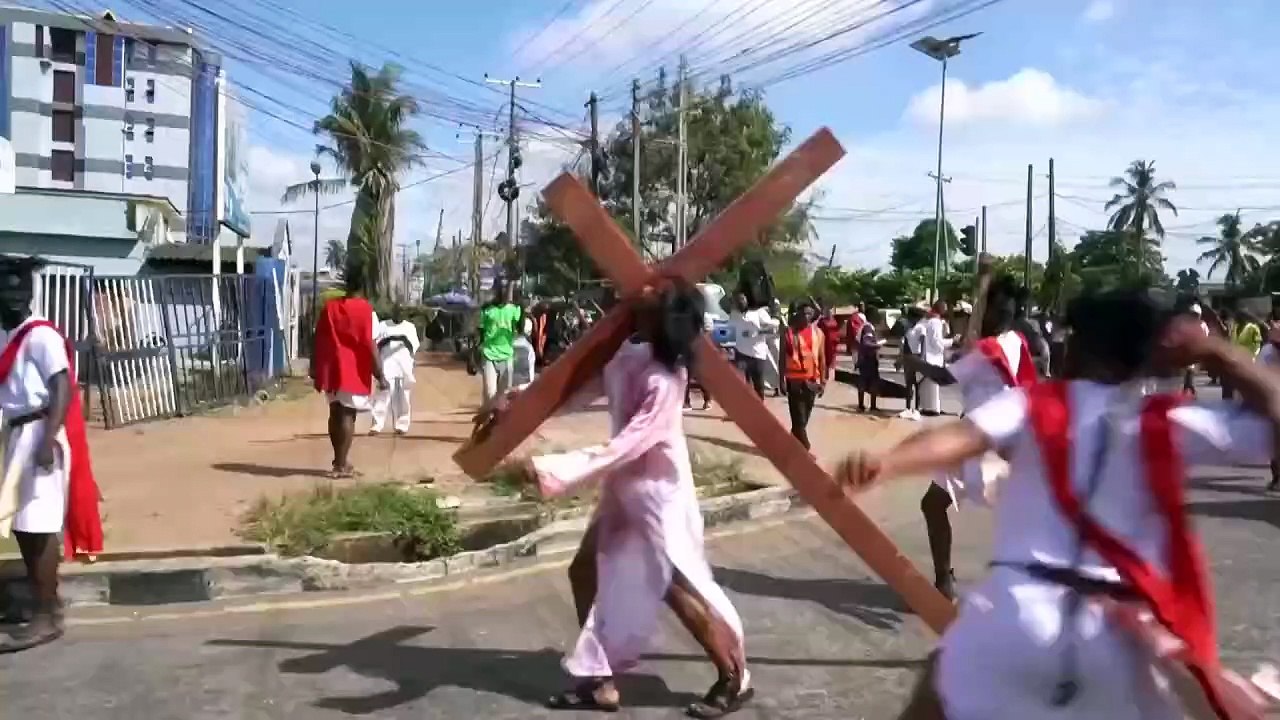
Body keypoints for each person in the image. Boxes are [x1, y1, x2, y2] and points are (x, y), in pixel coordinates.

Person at [837, 288, 1280, 720]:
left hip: (1015, 615)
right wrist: (1217, 352)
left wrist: (888, 462)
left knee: (936, 690)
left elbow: (961, 436)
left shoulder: (1035, 403)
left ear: (1082, 348)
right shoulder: (1169, 420)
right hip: (1119, 639)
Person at [499, 281, 751, 717]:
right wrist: (520, 401)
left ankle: (733, 675)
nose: (639, 290)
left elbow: (626, 446)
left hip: (659, 496)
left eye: (651, 295)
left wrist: (549, 469)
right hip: (625, 489)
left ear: (662, 318)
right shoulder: (630, 356)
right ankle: (599, 681)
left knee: (674, 585)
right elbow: (581, 389)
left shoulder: (665, 380)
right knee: (584, 570)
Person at [902, 273, 1039, 599]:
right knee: (1016, 515)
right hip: (1005, 439)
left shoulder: (988, 350)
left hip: (981, 442)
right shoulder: (1016, 341)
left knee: (934, 505)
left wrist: (912, 361)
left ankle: (946, 583)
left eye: (983, 308)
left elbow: (944, 377)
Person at [0, 255, 103, 652]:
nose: (14, 298)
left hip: (39, 433)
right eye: (7, 291)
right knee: (23, 528)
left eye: (20, 291)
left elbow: (62, 387)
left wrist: (46, 441)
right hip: (18, 434)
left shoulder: (41, 335)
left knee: (38, 528)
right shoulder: (9, 335)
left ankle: (46, 617)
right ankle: (47, 603)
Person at [310, 266, 387, 478]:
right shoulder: (366, 311)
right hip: (352, 369)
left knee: (335, 411)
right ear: (364, 286)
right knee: (347, 414)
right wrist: (379, 374)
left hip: (331, 367)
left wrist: (314, 366)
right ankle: (341, 465)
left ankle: (339, 460)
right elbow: (370, 345)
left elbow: (318, 338)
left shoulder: (329, 308)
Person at [781, 299, 825, 451]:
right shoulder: (788, 333)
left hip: (812, 382)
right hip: (794, 382)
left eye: (809, 314)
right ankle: (805, 450)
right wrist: (781, 380)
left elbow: (822, 358)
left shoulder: (818, 333)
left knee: (803, 420)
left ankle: (793, 444)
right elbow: (782, 358)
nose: (806, 316)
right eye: (804, 313)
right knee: (799, 420)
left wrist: (823, 381)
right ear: (798, 315)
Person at [370, 306, 420, 436]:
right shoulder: (383, 325)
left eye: (402, 311)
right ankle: (377, 424)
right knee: (383, 394)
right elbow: (376, 343)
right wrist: (389, 339)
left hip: (404, 364)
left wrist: (403, 339)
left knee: (404, 394)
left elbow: (414, 346)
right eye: (397, 311)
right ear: (393, 312)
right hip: (387, 362)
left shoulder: (410, 327)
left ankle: (402, 424)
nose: (399, 314)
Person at [479, 282, 523, 405]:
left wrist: (521, 306)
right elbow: (480, 331)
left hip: (507, 356)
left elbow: (521, 327)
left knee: (504, 395)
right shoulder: (487, 309)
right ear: (498, 293)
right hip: (489, 355)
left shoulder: (514, 309)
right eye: (503, 291)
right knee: (490, 393)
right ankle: (489, 414)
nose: (506, 294)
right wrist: (476, 350)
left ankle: (498, 415)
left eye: (508, 291)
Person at [729, 291, 777, 400]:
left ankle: (760, 404)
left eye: (742, 299)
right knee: (743, 384)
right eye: (737, 300)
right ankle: (746, 406)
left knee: (758, 384)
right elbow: (729, 332)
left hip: (757, 354)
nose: (740, 302)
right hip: (741, 354)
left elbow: (773, 329)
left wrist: (756, 332)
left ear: (747, 300)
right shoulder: (733, 315)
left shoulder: (758, 313)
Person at [917, 300, 953, 417]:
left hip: (923, 356)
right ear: (941, 309)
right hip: (932, 357)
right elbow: (937, 343)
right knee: (932, 385)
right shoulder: (935, 322)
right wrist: (952, 341)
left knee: (927, 385)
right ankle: (932, 409)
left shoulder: (925, 319)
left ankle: (927, 407)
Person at [897, 306, 928, 421]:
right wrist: (901, 358)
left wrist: (922, 359)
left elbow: (923, 344)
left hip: (917, 356)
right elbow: (904, 344)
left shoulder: (921, 328)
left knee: (917, 384)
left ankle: (917, 409)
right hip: (908, 356)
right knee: (909, 383)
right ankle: (908, 408)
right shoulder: (908, 328)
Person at [856, 309, 886, 413]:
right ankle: (869, 406)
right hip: (868, 360)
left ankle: (862, 406)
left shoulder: (865, 327)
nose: (879, 318)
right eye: (877, 316)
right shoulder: (868, 328)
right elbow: (866, 343)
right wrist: (878, 345)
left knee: (864, 381)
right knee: (872, 382)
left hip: (864, 359)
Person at [818, 302, 842, 382]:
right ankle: (824, 376)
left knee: (832, 359)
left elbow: (837, 331)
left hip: (833, 342)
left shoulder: (834, 320)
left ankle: (831, 378)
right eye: (828, 310)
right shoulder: (821, 321)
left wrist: (838, 338)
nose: (829, 312)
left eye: (831, 310)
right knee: (825, 358)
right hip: (825, 342)